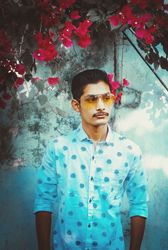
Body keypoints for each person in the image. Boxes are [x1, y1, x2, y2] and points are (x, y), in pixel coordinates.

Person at [34, 69, 148, 250]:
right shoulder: (58, 149)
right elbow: (43, 201)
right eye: (92, 99)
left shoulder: (129, 151)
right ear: (76, 105)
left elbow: (139, 205)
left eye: (107, 98)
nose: (101, 106)